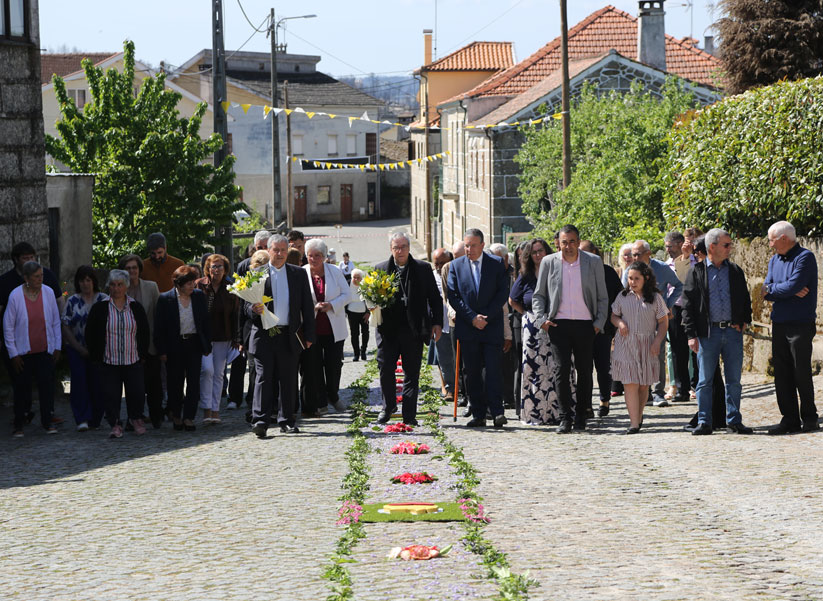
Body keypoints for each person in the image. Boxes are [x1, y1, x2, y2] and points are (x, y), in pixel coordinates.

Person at [532, 224, 608, 433]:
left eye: (572, 241)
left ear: (578, 241)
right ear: (559, 243)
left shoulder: (592, 262)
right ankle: (565, 417)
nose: (568, 246)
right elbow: (539, 295)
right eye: (564, 242)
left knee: (584, 371)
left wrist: (598, 323)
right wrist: (542, 320)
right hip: (559, 324)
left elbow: (602, 297)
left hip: (586, 324)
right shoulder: (549, 262)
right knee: (561, 370)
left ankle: (582, 416)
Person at [682, 228, 753, 435]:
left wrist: (744, 321)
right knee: (704, 381)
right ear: (712, 247)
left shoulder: (735, 271)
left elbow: (745, 298)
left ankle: (734, 420)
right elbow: (688, 305)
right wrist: (691, 334)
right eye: (726, 245)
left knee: (734, 381)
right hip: (707, 334)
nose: (730, 248)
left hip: (732, 332)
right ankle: (705, 421)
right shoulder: (697, 272)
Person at [247, 234, 316, 437]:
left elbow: (307, 307)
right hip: (263, 334)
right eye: (275, 250)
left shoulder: (298, 274)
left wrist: (309, 334)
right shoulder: (256, 274)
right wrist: (254, 310)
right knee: (263, 377)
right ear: (268, 251)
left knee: (288, 378)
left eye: (283, 250)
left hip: (289, 334)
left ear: (288, 252)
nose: (279, 254)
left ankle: (287, 419)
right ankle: (260, 420)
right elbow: (244, 307)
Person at [375, 232, 443, 426]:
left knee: (411, 373)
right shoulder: (380, 269)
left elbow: (435, 299)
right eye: (396, 247)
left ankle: (409, 414)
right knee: (385, 369)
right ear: (391, 249)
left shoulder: (422, 269)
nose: (400, 251)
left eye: (403, 246)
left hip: (413, 330)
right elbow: (371, 300)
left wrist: (437, 323)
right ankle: (388, 406)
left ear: (409, 247)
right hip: (388, 331)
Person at [447, 229, 509, 428]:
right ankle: (478, 414)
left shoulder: (496, 264)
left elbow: (502, 293)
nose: (469, 249)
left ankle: (497, 412)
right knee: (471, 373)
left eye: (473, 245)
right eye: (466, 245)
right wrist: (473, 318)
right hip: (468, 327)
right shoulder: (456, 266)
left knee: (492, 370)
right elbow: (454, 296)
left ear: (482, 245)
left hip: (491, 327)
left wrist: (486, 317)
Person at [762, 221, 819, 434]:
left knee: (800, 371)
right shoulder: (774, 260)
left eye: (771, 240)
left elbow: (793, 286)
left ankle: (810, 417)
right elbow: (765, 290)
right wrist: (783, 289)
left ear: (783, 238)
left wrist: (777, 289)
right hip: (779, 323)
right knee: (782, 373)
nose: (770, 244)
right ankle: (789, 418)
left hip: (800, 324)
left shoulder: (805, 258)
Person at [85, 270, 150, 439]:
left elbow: (144, 332)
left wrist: (143, 354)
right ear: (109, 286)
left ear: (126, 286)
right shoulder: (100, 308)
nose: (116, 288)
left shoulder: (135, 307)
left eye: (120, 284)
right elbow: (91, 333)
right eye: (113, 285)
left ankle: (135, 419)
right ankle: (115, 424)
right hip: (109, 360)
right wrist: (95, 356)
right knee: (111, 395)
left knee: (136, 392)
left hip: (132, 359)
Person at [510, 237, 565, 425]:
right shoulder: (525, 275)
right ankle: (536, 413)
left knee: (557, 368)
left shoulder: (557, 270)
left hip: (556, 323)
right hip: (533, 327)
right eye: (534, 252)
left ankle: (560, 412)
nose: (538, 255)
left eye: (541, 250)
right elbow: (513, 300)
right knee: (534, 371)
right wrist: (528, 315)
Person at [622, 240, 683, 407]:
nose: (634, 257)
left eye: (638, 254)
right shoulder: (629, 271)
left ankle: (658, 393)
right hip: (635, 320)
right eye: (633, 254)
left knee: (657, 354)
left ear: (648, 254)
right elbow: (622, 294)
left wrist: (667, 305)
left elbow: (678, 285)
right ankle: (645, 392)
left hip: (657, 319)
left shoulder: (662, 268)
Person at [4, 261, 62, 437]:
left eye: (41, 276)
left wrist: (57, 346)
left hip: (44, 350)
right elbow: (8, 327)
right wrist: (13, 354)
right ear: (26, 278)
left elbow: (55, 321)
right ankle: (19, 423)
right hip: (23, 353)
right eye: (36, 277)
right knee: (22, 389)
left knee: (46, 387)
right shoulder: (15, 296)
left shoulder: (48, 292)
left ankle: (47, 421)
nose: (40, 279)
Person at [611, 262, 669, 433]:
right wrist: (620, 323)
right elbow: (613, 315)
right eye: (630, 278)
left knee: (643, 385)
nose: (632, 282)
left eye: (637, 279)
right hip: (626, 343)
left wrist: (658, 341)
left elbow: (663, 321)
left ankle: (638, 414)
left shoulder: (655, 298)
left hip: (647, 344)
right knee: (630, 383)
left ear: (646, 279)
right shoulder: (622, 296)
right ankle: (634, 423)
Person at [155, 265, 211, 431]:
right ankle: (177, 415)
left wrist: (206, 344)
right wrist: (162, 351)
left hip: (193, 344)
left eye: (193, 282)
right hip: (174, 345)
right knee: (175, 383)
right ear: (178, 284)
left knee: (194, 382)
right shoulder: (165, 299)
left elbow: (206, 322)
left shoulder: (199, 296)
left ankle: (189, 417)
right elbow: (159, 327)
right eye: (188, 283)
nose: (192, 286)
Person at [302, 239, 350, 416]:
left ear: (323, 257)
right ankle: (321, 402)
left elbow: (347, 294)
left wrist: (331, 304)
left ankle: (333, 394)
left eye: (317, 256)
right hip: (311, 328)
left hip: (333, 327)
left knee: (334, 365)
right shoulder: (301, 273)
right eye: (310, 256)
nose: (313, 259)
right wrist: (311, 308)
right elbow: (297, 299)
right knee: (314, 367)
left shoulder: (334, 272)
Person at [61, 265, 108, 431]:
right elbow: (65, 325)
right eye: (82, 280)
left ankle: (96, 418)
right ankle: (82, 418)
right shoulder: (72, 301)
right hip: (77, 348)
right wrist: (77, 347)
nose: (85, 283)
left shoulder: (103, 299)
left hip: (99, 350)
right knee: (79, 383)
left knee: (98, 384)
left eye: (88, 280)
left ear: (94, 281)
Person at [118, 254, 163, 428]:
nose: (131, 271)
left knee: (154, 383)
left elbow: (158, 316)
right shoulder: (118, 289)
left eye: (134, 268)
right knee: (132, 385)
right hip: (127, 344)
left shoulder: (151, 287)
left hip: (150, 343)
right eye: (128, 268)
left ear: (139, 269)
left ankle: (156, 416)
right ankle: (134, 417)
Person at [579, 240, 622, 418]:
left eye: (586, 252)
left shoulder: (608, 272)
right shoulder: (576, 272)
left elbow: (617, 297)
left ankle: (604, 401)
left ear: (595, 253)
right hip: (581, 327)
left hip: (603, 328)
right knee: (584, 368)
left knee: (603, 367)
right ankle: (586, 404)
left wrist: (613, 322)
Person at [196, 254, 240, 424]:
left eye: (220, 266)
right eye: (213, 266)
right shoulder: (200, 285)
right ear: (207, 269)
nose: (216, 270)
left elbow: (236, 313)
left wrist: (237, 339)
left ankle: (215, 411)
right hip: (204, 337)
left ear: (225, 269)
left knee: (219, 374)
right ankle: (206, 407)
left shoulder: (231, 287)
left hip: (224, 336)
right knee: (207, 371)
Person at [662, 231, 695, 404]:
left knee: (696, 350)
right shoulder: (665, 266)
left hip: (693, 309)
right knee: (676, 350)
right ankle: (682, 389)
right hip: (675, 309)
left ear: (681, 244)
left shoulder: (694, 261)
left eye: (670, 246)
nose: (668, 250)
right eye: (666, 246)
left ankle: (696, 385)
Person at [441, 240, 468, 412]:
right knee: (457, 359)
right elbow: (447, 294)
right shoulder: (447, 268)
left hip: (471, 319)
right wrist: (452, 311)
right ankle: (462, 393)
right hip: (455, 320)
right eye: (455, 257)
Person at [489, 243, 515, 410]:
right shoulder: (490, 274)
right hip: (498, 322)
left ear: (506, 259)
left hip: (515, 320)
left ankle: (509, 396)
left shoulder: (513, 273)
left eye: (499, 259)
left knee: (511, 363)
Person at [429, 248, 455, 402]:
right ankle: (450, 388)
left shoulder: (456, 274)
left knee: (458, 359)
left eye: (442, 263)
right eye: (436, 263)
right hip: (440, 325)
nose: (439, 266)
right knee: (444, 359)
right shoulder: (431, 277)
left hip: (456, 323)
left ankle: (462, 388)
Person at [346, 269, 370, 362]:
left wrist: (368, 312)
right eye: (354, 277)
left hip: (364, 313)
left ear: (361, 278)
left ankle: (363, 351)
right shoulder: (347, 284)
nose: (355, 279)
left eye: (358, 278)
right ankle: (356, 353)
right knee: (354, 334)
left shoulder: (365, 285)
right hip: (351, 312)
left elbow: (370, 299)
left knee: (365, 332)